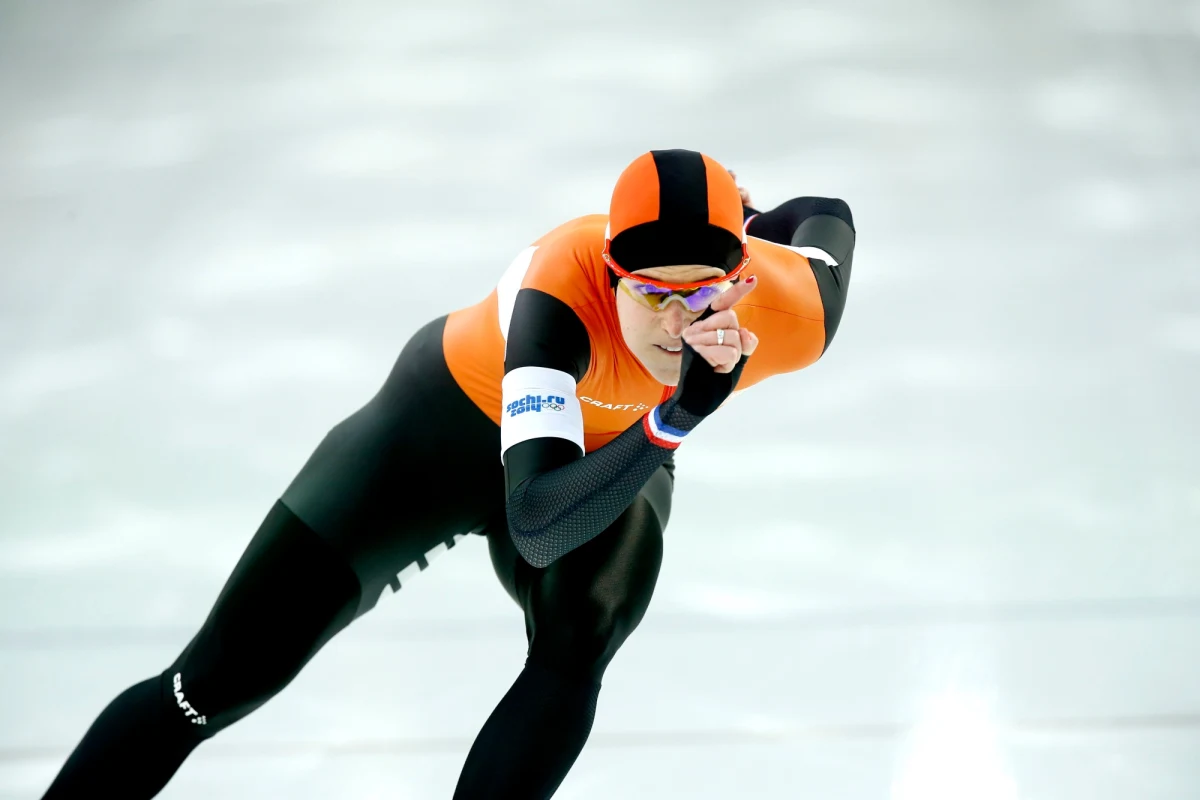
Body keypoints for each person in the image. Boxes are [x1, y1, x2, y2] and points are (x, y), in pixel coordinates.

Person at [40, 149, 856, 799]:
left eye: (702, 295)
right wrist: (675, 418)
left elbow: (831, 221)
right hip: (440, 431)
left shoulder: (789, 313)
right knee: (212, 682)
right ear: (611, 275)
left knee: (580, 639)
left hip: (610, 451)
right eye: (649, 294)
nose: (677, 324)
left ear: (742, 277)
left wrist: (757, 216)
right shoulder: (559, 297)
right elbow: (537, 523)